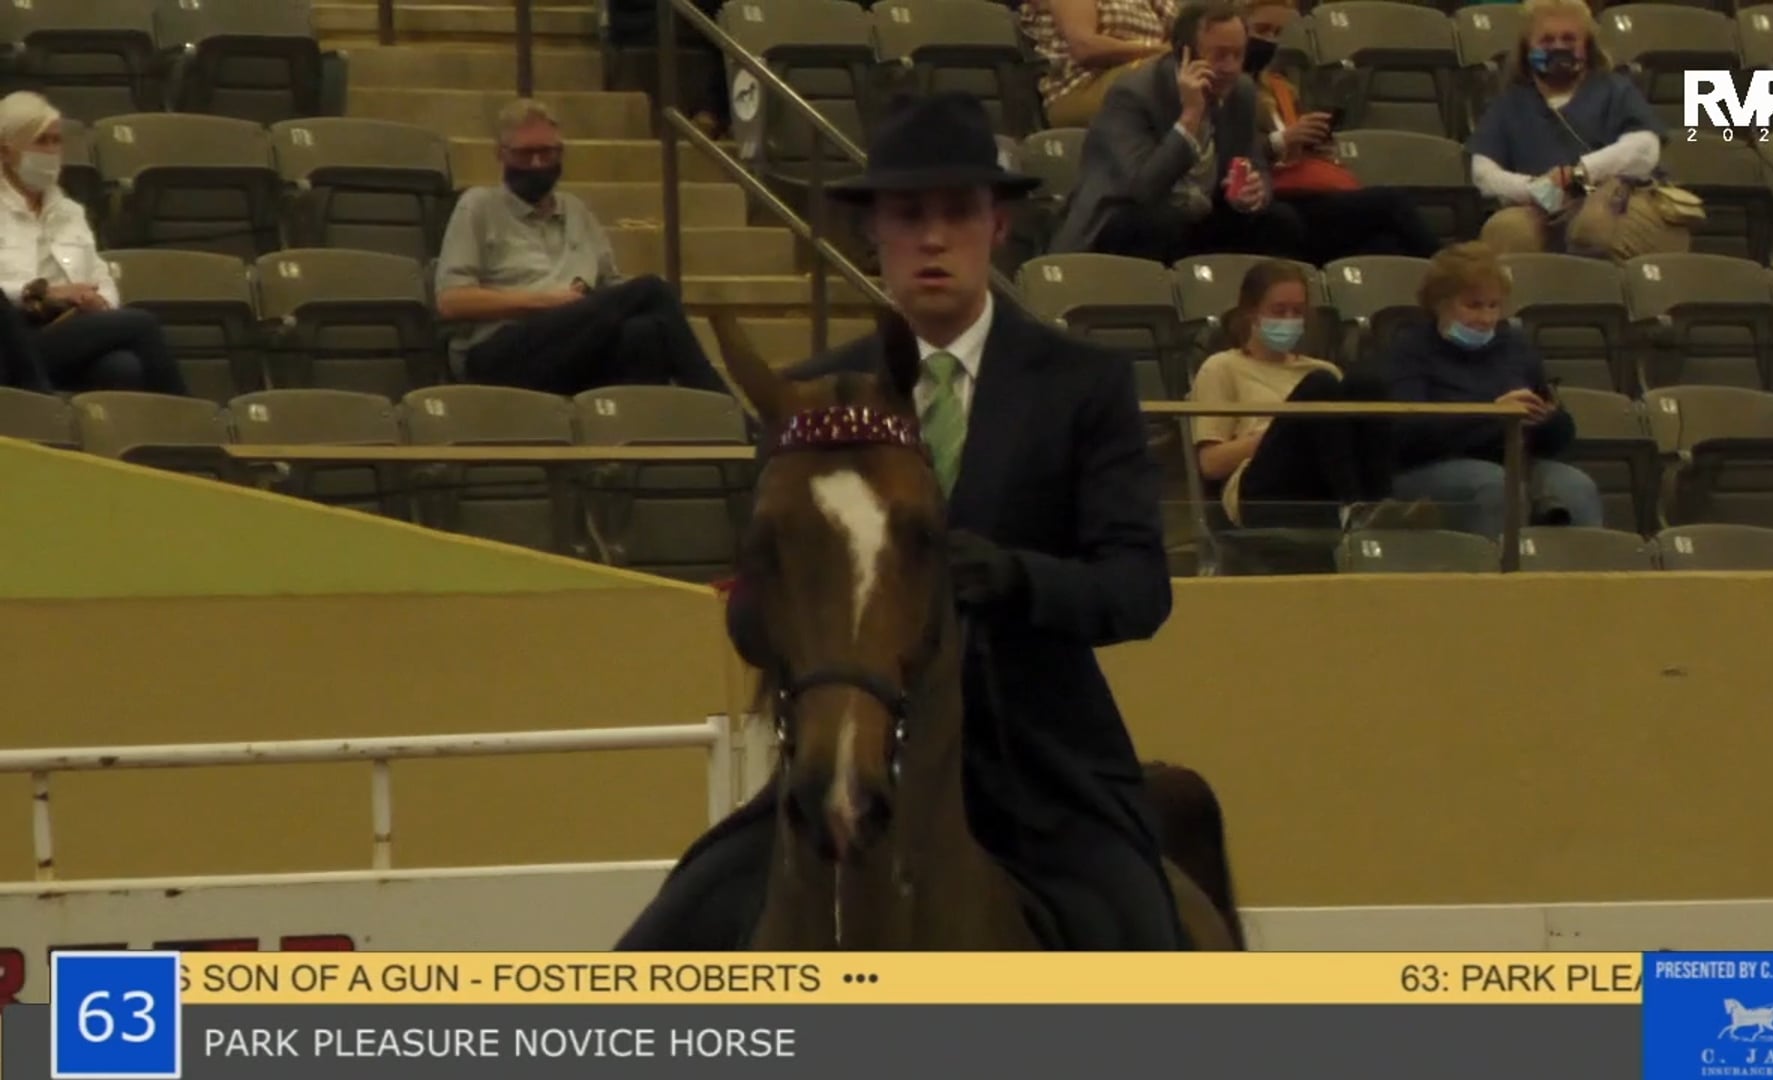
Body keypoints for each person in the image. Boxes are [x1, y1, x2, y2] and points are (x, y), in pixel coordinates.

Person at [615, 90, 1188, 952]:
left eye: (956, 213)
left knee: (1147, 943)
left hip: (1039, 771)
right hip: (847, 759)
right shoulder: (808, 397)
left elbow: (1138, 589)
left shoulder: (1082, 385)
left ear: (996, 226)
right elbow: (752, 603)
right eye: (907, 215)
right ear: (873, 233)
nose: (931, 237)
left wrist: (1018, 578)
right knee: (664, 937)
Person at [434, 99, 731, 397]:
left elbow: (610, 289)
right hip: (500, 348)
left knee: (644, 333)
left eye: (546, 153)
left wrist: (590, 304)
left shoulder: (577, 212)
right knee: (652, 290)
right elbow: (452, 301)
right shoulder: (478, 206)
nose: (537, 164)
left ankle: (645, 434)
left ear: (560, 154)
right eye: (525, 154)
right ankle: (728, 412)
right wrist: (545, 302)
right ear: (501, 154)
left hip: (575, 344)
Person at [1052, 0, 1306, 263]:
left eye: (1238, 55)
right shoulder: (1133, 93)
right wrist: (1190, 117)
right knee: (1161, 226)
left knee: (1280, 222)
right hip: (1125, 218)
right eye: (1219, 55)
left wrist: (1256, 191)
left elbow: (1255, 162)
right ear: (1185, 55)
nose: (1231, 67)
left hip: (1198, 213)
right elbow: (1143, 188)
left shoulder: (1240, 92)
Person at [1191, 259, 1435, 530]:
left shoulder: (1323, 367)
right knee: (1319, 386)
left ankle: (1378, 503)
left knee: (1365, 383)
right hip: (1261, 486)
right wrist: (1271, 434)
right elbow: (1210, 464)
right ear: (1251, 312)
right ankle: (1351, 507)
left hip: (1321, 477)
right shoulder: (1222, 367)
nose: (1289, 320)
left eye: (1296, 312)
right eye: (1278, 311)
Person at [1381, 241, 1602, 537]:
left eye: (1493, 305)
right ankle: (1493, 579)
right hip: (1431, 467)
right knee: (1494, 486)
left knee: (1575, 486)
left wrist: (1546, 419)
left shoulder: (1515, 348)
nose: (1485, 318)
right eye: (1473, 305)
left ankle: (1574, 581)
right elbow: (1408, 436)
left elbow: (1560, 436)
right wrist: (1492, 415)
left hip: (1516, 460)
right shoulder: (1410, 351)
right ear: (1439, 303)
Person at [0, 92, 185, 397]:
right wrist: (45, 293)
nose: (51, 151)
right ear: (6, 152)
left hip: (66, 327)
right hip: (14, 337)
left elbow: (100, 276)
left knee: (123, 368)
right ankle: (190, 422)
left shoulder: (69, 212)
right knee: (142, 324)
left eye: (56, 141)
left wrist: (100, 303)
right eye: (40, 142)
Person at [1467, 0, 1676, 259]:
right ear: (1526, 47)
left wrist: (1579, 174)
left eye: (1568, 39)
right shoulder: (1511, 103)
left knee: (1593, 229)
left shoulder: (1614, 89)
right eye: (1546, 40)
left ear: (1586, 46)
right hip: (1544, 205)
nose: (1558, 47)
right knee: (1506, 231)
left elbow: (1645, 148)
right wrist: (1539, 189)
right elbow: (1483, 173)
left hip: (1619, 199)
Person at [1241, 0, 1441, 263]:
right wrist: (1283, 140)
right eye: (1261, 30)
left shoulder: (1281, 88)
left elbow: (1292, 151)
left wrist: (1313, 146)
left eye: (1276, 33)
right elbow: (1237, 153)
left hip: (1305, 191)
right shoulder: (1230, 91)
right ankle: (1452, 272)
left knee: (1386, 245)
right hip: (1273, 197)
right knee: (1392, 202)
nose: (1269, 41)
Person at [1020, 0, 1178, 128]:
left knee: (1191, 71)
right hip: (1080, 86)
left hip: (1136, 76)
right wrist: (1159, 52)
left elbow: (1188, 30)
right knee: (1170, 74)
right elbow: (1085, 47)